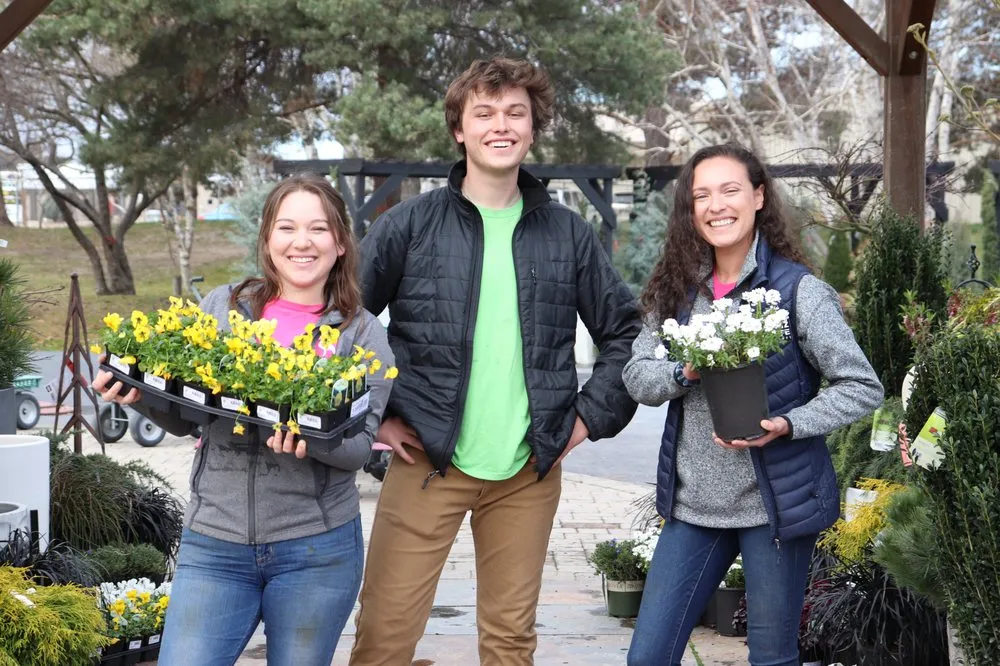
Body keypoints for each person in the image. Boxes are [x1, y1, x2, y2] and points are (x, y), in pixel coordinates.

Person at [350, 56, 640, 666]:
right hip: (426, 463)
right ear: (460, 129)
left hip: (525, 478)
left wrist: (586, 420)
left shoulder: (568, 234)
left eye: (515, 112)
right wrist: (373, 418)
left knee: (510, 643)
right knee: (384, 638)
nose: (500, 125)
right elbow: (338, 324)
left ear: (533, 129)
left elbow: (625, 333)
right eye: (484, 113)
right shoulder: (408, 225)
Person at [93, 175, 395, 666]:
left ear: (340, 243)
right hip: (215, 543)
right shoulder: (225, 308)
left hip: (314, 551)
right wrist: (138, 395)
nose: (302, 242)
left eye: (318, 229)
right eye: (287, 227)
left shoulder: (361, 334)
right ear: (268, 239)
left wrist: (312, 438)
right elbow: (189, 416)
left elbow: (359, 448)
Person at [622, 143, 883, 666]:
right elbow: (637, 376)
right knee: (648, 657)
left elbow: (862, 385)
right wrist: (686, 369)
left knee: (772, 657)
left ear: (759, 196)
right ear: (690, 210)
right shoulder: (677, 294)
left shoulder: (797, 290)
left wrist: (789, 423)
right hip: (694, 506)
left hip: (775, 510)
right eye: (701, 195)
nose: (716, 205)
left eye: (730, 190)